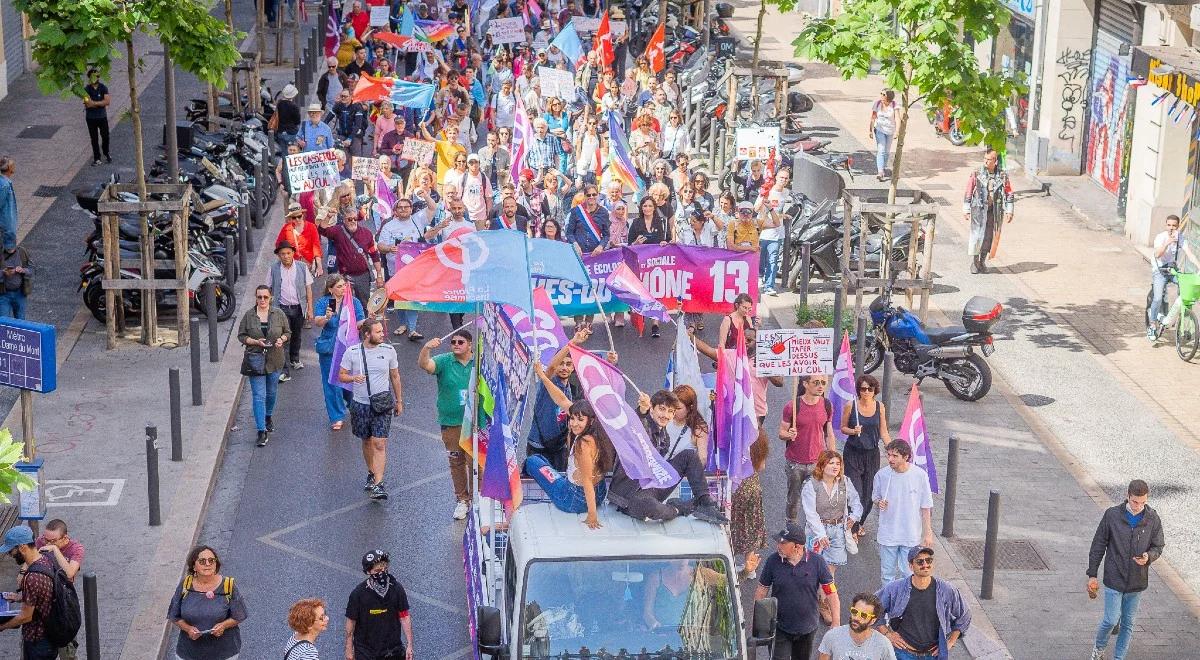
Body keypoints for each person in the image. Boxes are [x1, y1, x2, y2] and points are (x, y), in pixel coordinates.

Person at [606, 389, 728, 525]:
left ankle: (706, 504)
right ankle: (678, 509)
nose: (665, 415)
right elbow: (633, 429)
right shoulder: (642, 425)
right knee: (649, 506)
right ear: (652, 408)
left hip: (651, 487)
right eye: (662, 409)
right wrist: (642, 411)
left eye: (670, 411)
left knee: (689, 455)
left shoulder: (664, 436)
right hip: (629, 497)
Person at [526, 364, 616, 529]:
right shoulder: (597, 432)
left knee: (533, 461)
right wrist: (543, 377)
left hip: (574, 499)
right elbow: (560, 398)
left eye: (579, 420)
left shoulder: (583, 445)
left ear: (589, 420)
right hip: (600, 493)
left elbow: (587, 481)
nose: (574, 424)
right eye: (572, 418)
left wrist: (592, 516)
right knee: (542, 461)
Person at [1087, 479, 1165, 660]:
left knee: (1128, 623)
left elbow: (1158, 545)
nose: (1138, 506)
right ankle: (1098, 649)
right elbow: (1098, 545)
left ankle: (1118, 658)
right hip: (1114, 578)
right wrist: (1092, 574)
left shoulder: (1152, 518)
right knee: (1111, 620)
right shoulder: (1112, 515)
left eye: (1143, 502)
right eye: (1135, 501)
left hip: (1137, 581)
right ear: (1127, 496)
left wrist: (1148, 557)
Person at [339, 319, 404, 501]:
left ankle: (379, 483)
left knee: (379, 443)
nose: (382, 334)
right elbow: (341, 376)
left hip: (382, 403)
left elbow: (395, 376)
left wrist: (399, 401)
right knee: (367, 441)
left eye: (381, 331)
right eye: (378, 332)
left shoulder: (389, 350)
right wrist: (353, 378)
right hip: (360, 404)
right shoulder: (352, 352)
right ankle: (371, 472)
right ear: (367, 334)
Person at [755, 523, 840, 660]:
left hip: (807, 629)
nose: (778, 546)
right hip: (779, 627)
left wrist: (836, 621)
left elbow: (831, 592)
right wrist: (759, 621)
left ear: (797, 546)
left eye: (783, 543)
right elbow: (762, 590)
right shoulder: (773, 561)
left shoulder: (817, 562)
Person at [418, 331, 475, 520]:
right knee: (456, 461)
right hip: (451, 423)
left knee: (476, 463)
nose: (456, 344)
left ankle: (478, 500)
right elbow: (425, 364)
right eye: (453, 342)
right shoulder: (444, 361)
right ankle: (462, 500)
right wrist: (426, 348)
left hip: (475, 423)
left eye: (461, 342)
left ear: (470, 345)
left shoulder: (480, 363)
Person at [876, 547, 970, 660]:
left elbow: (964, 615)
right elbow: (872, 607)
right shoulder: (896, 588)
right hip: (903, 653)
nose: (925, 564)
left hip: (933, 655)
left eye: (928, 560)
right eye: (920, 561)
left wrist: (951, 641)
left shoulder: (946, 590)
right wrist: (887, 634)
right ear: (911, 566)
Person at [167, 545, 248, 660]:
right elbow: (174, 615)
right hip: (189, 653)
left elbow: (239, 615)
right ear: (194, 566)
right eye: (202, 561)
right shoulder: (185, 584)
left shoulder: (228, 585)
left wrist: (223, 625)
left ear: (216, 565)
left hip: (224, 653)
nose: (207, 564)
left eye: (211, 560)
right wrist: (187, 629)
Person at [872, 440, 935, 586]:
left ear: (906, 457)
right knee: (887, 575)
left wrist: (927, 532)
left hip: (910, 533)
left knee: (908, 573)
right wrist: (879, 502)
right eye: (889, 455)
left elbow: (926, 506)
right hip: (888, 533)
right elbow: (875, 497)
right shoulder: (882, 475)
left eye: (895, 456)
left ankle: (905, 604)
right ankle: (889, 603)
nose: (890, 459)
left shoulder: (919, 475)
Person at [779, 375, 838, 525]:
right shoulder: (792, 406)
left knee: (817, 499)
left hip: (818, 462)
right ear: (805, 384)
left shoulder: (827, 405)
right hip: (795, 463)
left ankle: (813, 530)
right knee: (794, 498)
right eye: (816, 382)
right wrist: (789, 434)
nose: (820, 386)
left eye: (823, 383)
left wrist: (834, 459)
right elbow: (781, 433)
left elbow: (829, 433)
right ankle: (791, 527)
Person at [238, 286, 290, 447]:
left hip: (275, 359)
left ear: (270, 298)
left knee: (271, 392)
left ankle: (268, 415)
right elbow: (241, 336)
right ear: (255, 298)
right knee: (258, 395)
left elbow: (288, 332)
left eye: (265, 297)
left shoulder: (279, 314)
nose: (262, 300)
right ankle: (261, 431)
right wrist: (255, 342)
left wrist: (282, 339)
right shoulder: (249, 315)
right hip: (255, 360)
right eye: (259, 297)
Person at [314, 275, 364, 431]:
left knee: (349, 379)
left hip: (348, 348)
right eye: (339, 286)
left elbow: (359, 323)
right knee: (331, 382)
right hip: (329, 348)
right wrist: (326, 317)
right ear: (330, 289)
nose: (343, 289)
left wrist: (370, 319)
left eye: (344, 286)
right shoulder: (324, 303)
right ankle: (336, 416)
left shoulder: (353, 302)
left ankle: (351, 403)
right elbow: (317, 322)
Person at [0, 526, 58, 659]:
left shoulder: (32, 577)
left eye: (11, 550)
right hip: (49, 636)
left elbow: (26, 616)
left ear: (22, 547)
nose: (10, 555)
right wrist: (19, 597)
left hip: (38, 640)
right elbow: (42, 595)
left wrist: (3, 626)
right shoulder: (47, 559)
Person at [841, 374, 890, 532]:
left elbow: (883, 431)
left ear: (875, 390)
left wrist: (892, 448)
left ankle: (859, 522)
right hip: (853, 453)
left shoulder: (880, 407)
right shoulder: (851, 405)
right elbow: (842, 428)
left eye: (870, 388)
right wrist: (853, 431)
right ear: (858, 390)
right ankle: (852, 528)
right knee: (856, 491)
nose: (867, 392)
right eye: (863, 389)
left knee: (869, 495)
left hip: (872, 454)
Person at [801, 450, 861, 576]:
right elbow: (810, 513)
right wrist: (821, 535)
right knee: (813, 568)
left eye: (838, 463)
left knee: (829, 572)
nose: (835, 466)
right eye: (831, 463)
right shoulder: (811, 485)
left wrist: (854, 516)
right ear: (822, 466)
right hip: (816, 531)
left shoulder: (844, 481)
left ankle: (825, 596)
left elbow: (856, 501)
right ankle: (815, 594)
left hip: (839, 530)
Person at [345, 550, 414, 660]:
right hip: (366, 653)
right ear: (368, 572)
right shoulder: (358, 594)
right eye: (377, 570)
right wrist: (349, 649)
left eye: (384, 569)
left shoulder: (396, 589)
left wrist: (409, 645)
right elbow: (351, 622)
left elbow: (404, 616)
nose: (382, 573)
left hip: (392, 651)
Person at [376, 198, 426, 341]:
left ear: (411, 209)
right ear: (395, 211)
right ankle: (403, 324)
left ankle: (412, 329)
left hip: (413, 270)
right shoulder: (389, 226)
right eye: (400, 207)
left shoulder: (418, 222)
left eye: (406, 207)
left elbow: (425, 239)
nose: (403, 209)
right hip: (395, 269)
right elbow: (380, 246)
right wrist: (389, 248)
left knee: (411, 298)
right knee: (398, 298)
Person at [317, 203, 384, 305]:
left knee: (365, 304)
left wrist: (379, 275)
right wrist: (328, 216)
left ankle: (363, 320)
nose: (353, 221)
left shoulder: (367, 234)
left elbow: (374, 255)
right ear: (344, 220)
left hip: (363, 276)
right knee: (345, 304)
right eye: (349, 219)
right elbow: (322, 230)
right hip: (345, 276)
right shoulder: (338, 231)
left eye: (355, 219)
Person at [962, 148, 1014, 274]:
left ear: (995, 161)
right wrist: (966, 208)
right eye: (984, 159)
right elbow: (969, 190)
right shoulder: (977, 173)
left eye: (989, 159)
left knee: (988, 236)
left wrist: (1009, 210)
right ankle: (975, 262)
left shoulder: (1002, 175)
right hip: (979, 209)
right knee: (977, 235)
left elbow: (1009, 192)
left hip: (994, 210)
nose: (985, 162)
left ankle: (982, 261)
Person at [1147, 214, 1198, 338]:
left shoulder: (1180, 238)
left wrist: (1198, 265)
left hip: (1173, 271)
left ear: (1178, 226)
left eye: (1174, 226)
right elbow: (1158, 254)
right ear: (1166, 225)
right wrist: (1167, 243)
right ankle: (1152, 325)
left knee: (1185, 293)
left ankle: (1179, 319)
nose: (1171, 228)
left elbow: (1190, 254)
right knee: (1158, 298)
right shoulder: (1160, 237)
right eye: (1169, 225)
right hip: (1160, 271)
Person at [270, 242, 314, 383]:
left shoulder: (301, 267)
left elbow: (308, 289)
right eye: (282, 254)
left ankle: (294, 358)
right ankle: (284, 370)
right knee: (282, 338)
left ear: (293, 253)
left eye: (288, 253)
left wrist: (310, 309)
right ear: (279, 255)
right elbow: (268, 288)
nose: (286, 256)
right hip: (281, 308)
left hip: (298, 307)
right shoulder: (274, 269)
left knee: (296, 335)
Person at [731, 430, 770, 580]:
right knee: (752, 526)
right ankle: (750, 566)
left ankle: (730, 560)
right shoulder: (758, 440)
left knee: (732, 524)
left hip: (736, 486)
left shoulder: (733, 441)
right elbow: (761, 467)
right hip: (752, 487)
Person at [817, 592, 896, 660]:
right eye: (854, 611)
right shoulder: (832, 635)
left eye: (863, 615)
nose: (857, 618)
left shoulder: (883, 645)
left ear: (872, 621)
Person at [565, 183, 611, 255]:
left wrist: (601, 246)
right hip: (579, 254)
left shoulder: (604, 212)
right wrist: (574, 244)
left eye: (594, 194)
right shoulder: (576, 211)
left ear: (598, 195)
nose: (591, 197)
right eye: (588, 195)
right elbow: (569, 233)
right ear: (585, 196)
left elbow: (606, 235)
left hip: (595, 254)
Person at [35, 518, 83, 583]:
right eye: (46, 539)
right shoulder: (40, 540)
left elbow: (70, 574)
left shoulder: (76, 548)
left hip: (62, 586)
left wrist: (55, 549)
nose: (47, 544)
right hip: (43, 582)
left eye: (53, 541)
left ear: (65, 538)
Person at [83, 69, 111, 165]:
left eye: (97, 76)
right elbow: (87, 104)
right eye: (93, 76)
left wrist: (94, 103)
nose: (96, 78)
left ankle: (106, 152)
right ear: (90, 77)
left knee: (105, 136)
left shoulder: (103, 88)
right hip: (91, 118)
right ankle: (97, 158)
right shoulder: (86, 89)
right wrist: (100, 103)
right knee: (94, 138)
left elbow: (107, 102)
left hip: (102, 117)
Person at [870, 90, 899, 181]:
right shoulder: (877, 103)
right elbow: (873, 117)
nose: (881, 96)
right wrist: (870, 130)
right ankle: (880, 172)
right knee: (881, 150)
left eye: (883, 94)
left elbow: (898, 119)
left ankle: (883, 166)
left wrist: (897, 131)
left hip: (890, 131)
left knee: (886, 152)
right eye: (881, 93)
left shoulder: (894, 105)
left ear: (888, 97)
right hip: (879, 129)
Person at [0, 244, 32, 319]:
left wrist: (23, 270)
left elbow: (32, 269)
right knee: (4, 324)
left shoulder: (22, 252)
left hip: (20, 294)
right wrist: (3, 272)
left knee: (21, 323)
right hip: (3, 294)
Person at [0, 157, 17, 251]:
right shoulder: (5, 185)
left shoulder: (4, 182)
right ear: (10, 169)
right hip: (5, 220)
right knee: (9, 248)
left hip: (6, 219)